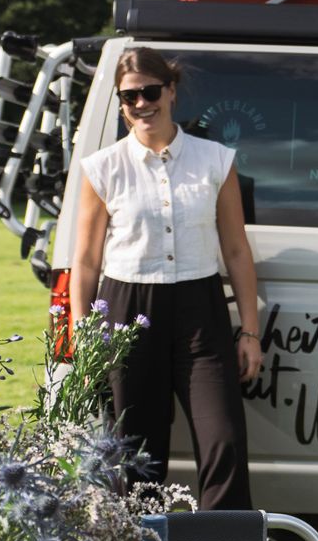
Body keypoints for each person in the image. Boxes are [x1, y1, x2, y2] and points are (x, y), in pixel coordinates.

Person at [68, 46, 264, 510]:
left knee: (225, 441)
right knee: (137, 458)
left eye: (149, 91)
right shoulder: (102, 168)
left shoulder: (216, 160)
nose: (140, 104)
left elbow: (236, 250)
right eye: (129, 96)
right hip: (126, 311)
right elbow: (87, 261)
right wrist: (83, 334)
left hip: (201, 310)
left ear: (171, 91)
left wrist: (250, 331)